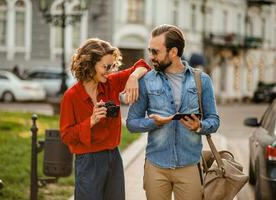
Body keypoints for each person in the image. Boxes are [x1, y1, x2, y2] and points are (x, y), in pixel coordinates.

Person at [126, 24, 220, 200]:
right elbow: (131, 123)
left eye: (155, 52)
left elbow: (214, 121)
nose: (150, 57)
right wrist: (153, 122)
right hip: (156, 166)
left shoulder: (202, 80)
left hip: (189, 166)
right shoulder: (146, 81)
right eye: (150, 51)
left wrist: (199, 126)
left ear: (173, 52)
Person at [59, 38, 151, 200]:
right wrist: (91, 121)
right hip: (88, 161)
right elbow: (66, 136)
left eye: (112, 66)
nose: (109, 71)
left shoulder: (111, 83)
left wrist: (133, 77)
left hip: (113, 157)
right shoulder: (71, 97)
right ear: (89, 64)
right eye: (105, 66)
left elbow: (143, 65)